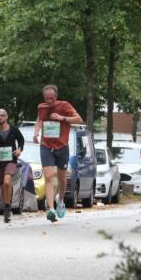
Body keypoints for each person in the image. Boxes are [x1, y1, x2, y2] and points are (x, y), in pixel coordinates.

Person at [32, 85, 82, 223]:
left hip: (62, 146)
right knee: (48, 176)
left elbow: (79, 119)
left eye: (51, 98)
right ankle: (51, 209)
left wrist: (62, 118)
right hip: (46, 146)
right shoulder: (41, 107)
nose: (49, 101)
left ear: (56, 96)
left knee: (62, 179)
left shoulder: (64, 105)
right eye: (46, 98)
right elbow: (39, 119)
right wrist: (36, 133)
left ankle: (60, 201)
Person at [0, 109, 25, 223]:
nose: (0, 117)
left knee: (7, 181)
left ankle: (7, 207)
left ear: (7, 117)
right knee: (2, 187)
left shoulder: (13, 129)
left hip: (11, 160)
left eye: (2, 115)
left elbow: (21, 140)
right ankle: (7, 203)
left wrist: (19, 149)